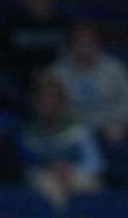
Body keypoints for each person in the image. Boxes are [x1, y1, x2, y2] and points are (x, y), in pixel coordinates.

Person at [21, 71, 105, 208]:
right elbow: (27, 167)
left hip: (75, 174)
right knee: (50, 187)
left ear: (61, 102)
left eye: (52, 98)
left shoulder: (77, 128)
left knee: (92, 185)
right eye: (43, 99)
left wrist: (71, 170)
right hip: (45, 177)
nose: (48, 104)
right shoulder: (30, 132)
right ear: (36, 103)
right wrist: (50, 170)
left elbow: (95, 163)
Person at [50, 22, 128, 147]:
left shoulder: (115, 68)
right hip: (72, 129)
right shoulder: (56, 73)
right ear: (70, 46)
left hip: (111, 126)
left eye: (89, 44)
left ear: (98, 45)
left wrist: (121, 122)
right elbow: (50, 108)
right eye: (79, 44)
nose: (84, 49)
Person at [0, 0, 72, 89]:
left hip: (60, 83)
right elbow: (0, 60)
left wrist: (52, 74)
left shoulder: (66, 20)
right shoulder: (8, 21)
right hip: (18, 85)